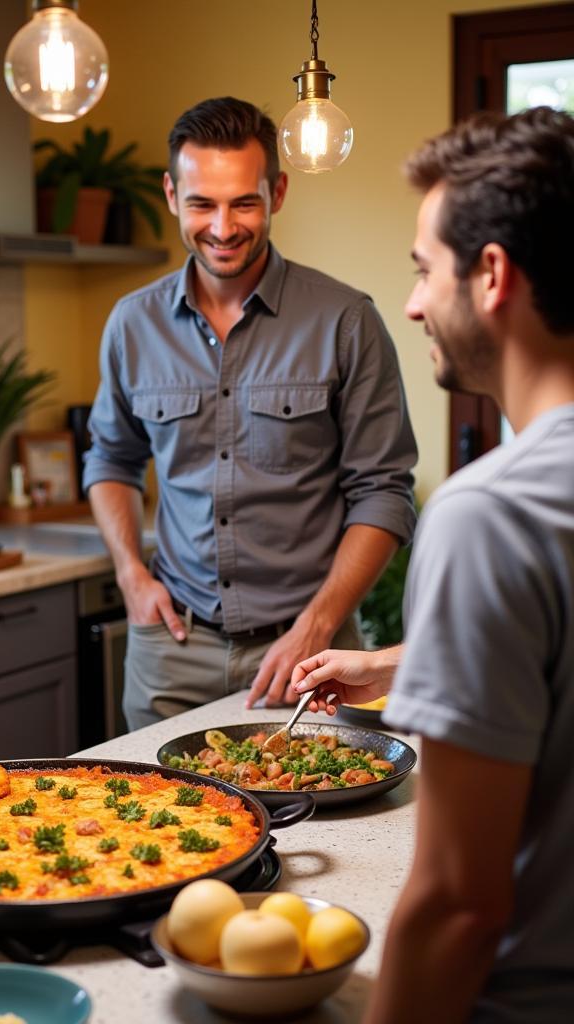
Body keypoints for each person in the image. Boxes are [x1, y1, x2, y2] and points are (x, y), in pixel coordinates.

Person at [291, 106, 574, 1021]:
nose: (413, 303)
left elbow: (459, 901)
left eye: (423, 270)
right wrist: (387, 665)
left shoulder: (491, 511)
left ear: (490, 275)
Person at [83, 96, 417, 729]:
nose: (222, 225)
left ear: (278, 191)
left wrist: (318, 622)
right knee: (158, 819)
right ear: (171, 194)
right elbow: (110, 459)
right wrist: (130, 572)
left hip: (311, 654)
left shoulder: (346, 321)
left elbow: (384, 493)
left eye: (244, 202)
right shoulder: (133, 323)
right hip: (171, 651)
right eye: (202, 202)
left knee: (317, 822)